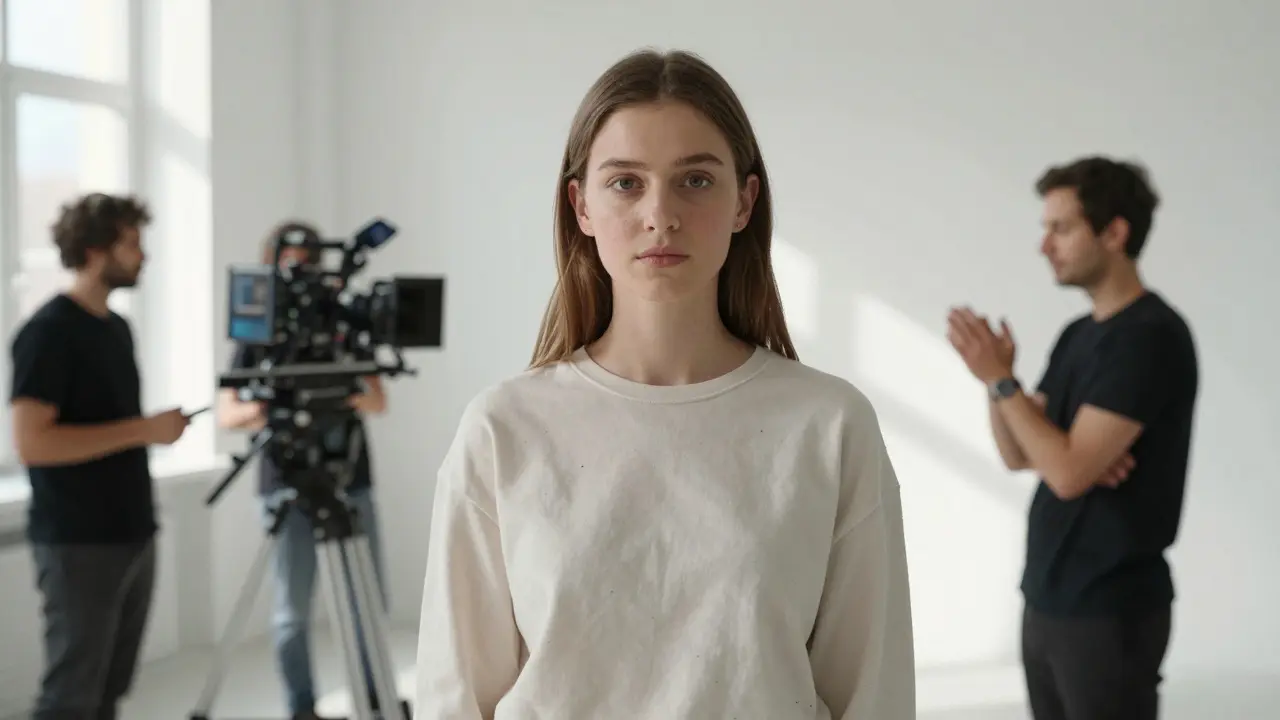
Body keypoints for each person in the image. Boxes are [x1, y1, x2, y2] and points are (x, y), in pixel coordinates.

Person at [413, 48, 916, 719]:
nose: (660, 213)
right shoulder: (504, 428)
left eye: (696, 181)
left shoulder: (829, 424)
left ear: (745, 200)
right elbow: (454, 696)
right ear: (580, 205)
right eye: (625, 182)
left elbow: (873, 695)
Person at [946, 156, 1198, 720]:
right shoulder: (1079, 334)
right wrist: (998, 388)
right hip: (1049, 598)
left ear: (1114, 232)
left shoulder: (1149, 338)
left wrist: (1006, 384)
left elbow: (1064, 472)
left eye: (1060, 228)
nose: (1045, 245)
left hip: (1110, 605)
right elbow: (1020, 455)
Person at [8, 192, 191, 720]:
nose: (143, 255)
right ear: (92, 251)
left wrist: (149, 431)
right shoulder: (47, 334)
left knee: (109, 690)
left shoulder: (116, 328)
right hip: (78, 543)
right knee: (71, 695)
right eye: (131, 243)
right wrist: (144, 430)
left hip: (132, 530)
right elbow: (33, 443)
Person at [216, 222, 393, 720]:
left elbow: (378, 399)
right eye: (291, 263)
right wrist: (277, 404)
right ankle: (302, 708)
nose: (301, 274)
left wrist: (334, 388)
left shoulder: (343, 327)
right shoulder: (258, 331)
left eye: (308, 263)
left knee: (366, 601)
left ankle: (375, 699)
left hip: (347, 478)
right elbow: (228, 413)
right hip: (285, 482)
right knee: (292, 610)